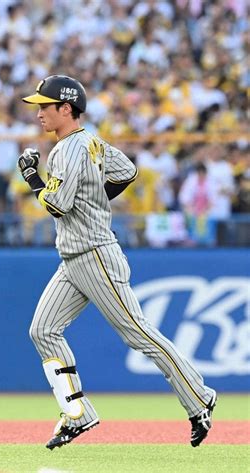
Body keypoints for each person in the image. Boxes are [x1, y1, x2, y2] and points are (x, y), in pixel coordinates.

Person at [17, 75, 216, 450]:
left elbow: (56, 205)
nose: (39, 112)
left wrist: (32, 178)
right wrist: (95, 199)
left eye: (46, 105)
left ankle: (199, 395)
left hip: (94, 254)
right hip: (75, 257)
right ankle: (78, 413)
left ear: (67, 108)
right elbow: (126, 172)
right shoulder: (91, 142)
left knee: (138, 334)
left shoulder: (68, 149)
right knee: (42, 330)